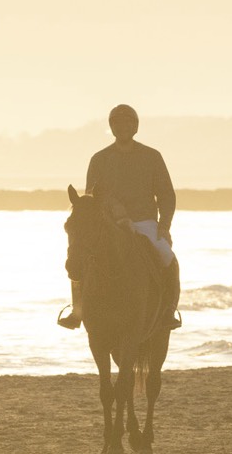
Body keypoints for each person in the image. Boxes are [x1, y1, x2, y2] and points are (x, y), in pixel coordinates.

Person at [58, 102, 182, 331]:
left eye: (128, 123)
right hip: (109, 223)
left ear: (135, 127)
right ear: (111, 127)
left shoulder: (152, 157)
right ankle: (78, 312)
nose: (122, 127)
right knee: (81, 257)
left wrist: (164, 227)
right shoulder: (99, 159)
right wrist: (116, 212)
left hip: (144, 222)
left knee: (167, 256)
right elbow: (92, 196)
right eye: (117, 123)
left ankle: (168, 310)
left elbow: (166, 195)